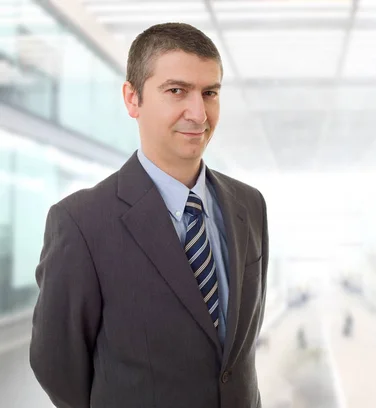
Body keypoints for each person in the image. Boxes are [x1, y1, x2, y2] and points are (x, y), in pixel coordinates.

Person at [29, 22, 269, 408]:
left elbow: (235, 356)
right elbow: (56, 366)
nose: (198, 112)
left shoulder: (249, 205)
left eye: (210, 93)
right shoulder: (82, 223)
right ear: (132, 98)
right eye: (177, 91)